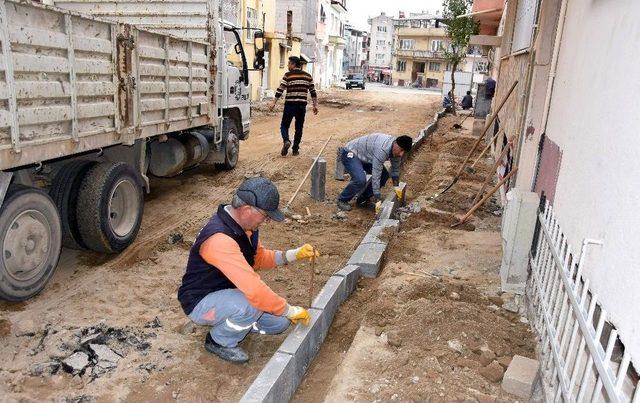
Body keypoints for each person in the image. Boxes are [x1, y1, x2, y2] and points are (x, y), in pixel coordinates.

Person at [177, 177, 319, 363]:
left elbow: (257, 259)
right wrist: (289, 309)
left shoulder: (245, 228)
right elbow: (254, 290)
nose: (267, 221)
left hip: (229, 294)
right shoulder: (219, 239)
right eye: (266, 216)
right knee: (253, 304)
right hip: (201, 302)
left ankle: (238, 320)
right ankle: (219, 341)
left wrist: (293, 254)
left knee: (280, 323)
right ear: (246, 210)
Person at [336, 134, 413, 212]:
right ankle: (342, 200)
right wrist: (377, 196)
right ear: (395, 143)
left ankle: (363, 199)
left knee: (384, 176)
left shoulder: (396, 151)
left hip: (367, 157)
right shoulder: (383, 149)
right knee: (360, 179)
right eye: (401, 150)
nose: (401, 154)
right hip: (351, 153)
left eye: (404, 152)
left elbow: (395, 169)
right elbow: (376, 174)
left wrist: (396, 186)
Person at [270, 56, 318, 156]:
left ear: (293, 64)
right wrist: (315, 105)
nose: (287, 66)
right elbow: (313, 92)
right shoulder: (308, 76)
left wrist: (274, 102)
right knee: (299, 128)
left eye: (289, 64)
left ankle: (286, 140)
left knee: (284, 125)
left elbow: (280, 90)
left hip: (290, 105)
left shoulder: (288, 75)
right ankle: (295, 149)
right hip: (301, 106)